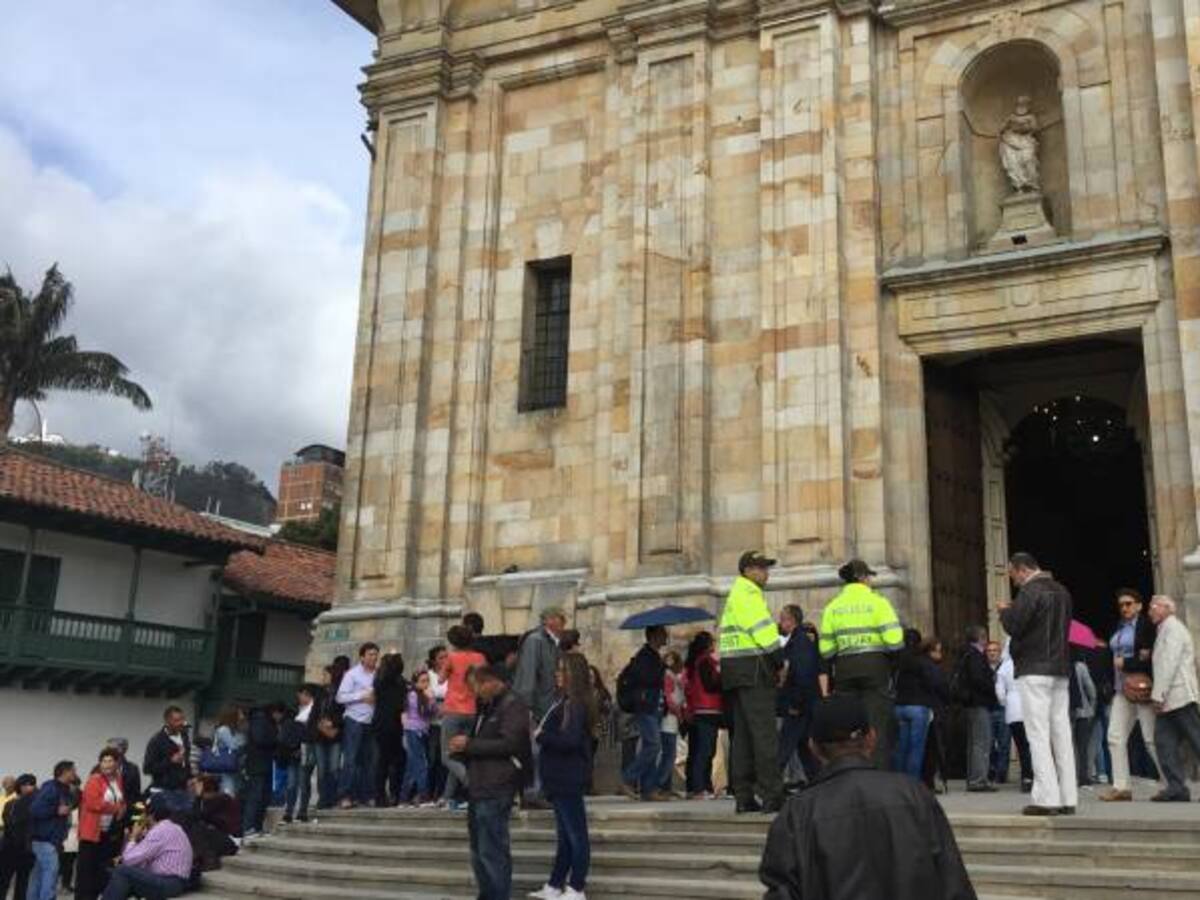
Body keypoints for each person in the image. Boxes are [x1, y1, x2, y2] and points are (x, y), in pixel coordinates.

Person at [760, 695, 977, 900]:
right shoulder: (914, 795)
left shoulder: (797, 813)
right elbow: (954, 886)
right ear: (871, 738)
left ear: (813, 747)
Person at [999, 552, 1076, 816]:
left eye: (1013, 575)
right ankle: (1068, 796)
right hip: (1060, 669)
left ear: (1022, 569)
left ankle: (1047, 798)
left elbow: (1015, 626)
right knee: (1061, 733)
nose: (1014, 581)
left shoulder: (1030, 591)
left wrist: (1005, 611)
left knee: (1038, 733)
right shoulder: (1063, 592)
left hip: (1034, 668)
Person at [448, 665, 532, 900]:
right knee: (478, 850)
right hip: (478, 784)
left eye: (477, 686)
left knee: (492, 849)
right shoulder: (487, 706)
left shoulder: (513, 704)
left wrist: (470, 745)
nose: (475, 692)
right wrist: (463, 749)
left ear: (491, 682)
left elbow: (510, 744)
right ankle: (486, 894)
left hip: (497, 785)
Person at [819, 558, 904, 770]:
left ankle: (848, 770)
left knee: (848, 724)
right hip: (874, 667)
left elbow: (826, 650)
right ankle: (876, 774)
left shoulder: (832, 607)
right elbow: (895, 642)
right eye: (869, 577)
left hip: (844, 669)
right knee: (877, 725)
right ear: (862, 578)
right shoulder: (879, 603)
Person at [720, 551, 785, 813]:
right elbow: (763, 632)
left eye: (766, 568)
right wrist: (779, 660)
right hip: (754, 669)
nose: (766, 573)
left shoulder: (735, 594)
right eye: (761, 568)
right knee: (764, 734)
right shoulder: (749, 594)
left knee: (744, 737)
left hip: (735, 670)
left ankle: (744, 795)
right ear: (747, 571)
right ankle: (772, 794)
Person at [529, 653, 597, 900]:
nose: (557, 674)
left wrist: (541, 736)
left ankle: (577, 887)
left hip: (568, 776)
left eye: (562, 670)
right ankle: (555, 884)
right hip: (559, 776)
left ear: (572, 674)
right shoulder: (564, 701)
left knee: (576, 835)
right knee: (565, 837)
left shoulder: (575, 705)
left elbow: (570, 740)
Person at [1101, 588, 1160, 802]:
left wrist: (1125, 663)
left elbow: (1149, 658)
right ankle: (1121, 787)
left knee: (1150, 738)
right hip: (1121, 689)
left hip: (1142, 687)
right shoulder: (1118, 626)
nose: (1124, 608)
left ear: (1139, 606)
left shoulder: (1146, 626)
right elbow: (1112, 655)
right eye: (1121, 605)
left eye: (1128, 604)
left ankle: (1171, 782)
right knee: (1115, 736)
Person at [1147, 595, 1200, 802]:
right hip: (1170, 698)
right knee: (1164, 742)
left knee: (1195, 739)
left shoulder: (1174, 629)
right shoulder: (1164, 629)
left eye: (1154, 606)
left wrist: (1158, 694)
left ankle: (1176, 786)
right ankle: (1177, 787)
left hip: (1179, 696)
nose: (1150, 611)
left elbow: (1168, 664)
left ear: (1168, 608)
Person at [99, 794, 192, 900]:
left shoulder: (159, 831)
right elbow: (140, 861)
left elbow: (128, 860)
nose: (143, 817)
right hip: (175, 882)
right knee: (119, 877)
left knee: (121, 871)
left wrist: (133, 838)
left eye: (145, 813)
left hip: (168, 882)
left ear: (151, 815)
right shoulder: (174, 827)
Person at [619, 625, 668, 803]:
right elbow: (646, 679)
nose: (666, 636)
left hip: (652, 705)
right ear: (654, 636)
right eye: (663, 633)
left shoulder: (653, 656)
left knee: (651, 746)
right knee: (653, 745)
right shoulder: (645, 656)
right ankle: (628, 778)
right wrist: (662, 668)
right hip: (645, 706)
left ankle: (649, 789)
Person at [442, 627, 487, 810]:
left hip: (453, 709)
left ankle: (474, 784)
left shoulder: (451, 657)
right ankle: (447, 797)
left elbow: (441, 679)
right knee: (459, 755)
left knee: (447, 756)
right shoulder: (480, 657)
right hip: (472, 709)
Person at [893, 629, 947, 781]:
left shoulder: (898, 660)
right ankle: (913, 783)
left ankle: (899, 782)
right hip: (918, 706)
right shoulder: (922, 660)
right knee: (916, 749)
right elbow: (936, 682)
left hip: (899, 706)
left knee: (901, 749)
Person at [776, 605, 821, 786]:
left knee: (785, 746)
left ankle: (769, 785)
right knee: (803, 746)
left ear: (791, 620)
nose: (780, 623)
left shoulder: (799, 642)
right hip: (805, 702)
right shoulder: (799, 641)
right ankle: (818, 781)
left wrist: (795, 703)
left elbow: (802, 674)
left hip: (799, 704)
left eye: (782, 619)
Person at [75, 749, 126, 900]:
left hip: (108, 831)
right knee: (86, 871)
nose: (107, 764)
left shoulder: (118, 779)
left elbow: (121, 799)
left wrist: (123, 807)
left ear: (117, 763)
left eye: (110, 761)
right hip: (91, 832)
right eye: (104, 761)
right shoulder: (94, 780)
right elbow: (93, 803)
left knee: (101, 869)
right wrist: (116, 809)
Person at [336, 642, 381, 809]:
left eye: (376, 654)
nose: (374, 657)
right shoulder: (352, 674)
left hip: (372, 721)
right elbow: (340, 697)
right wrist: (362, 696)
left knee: (370, 761)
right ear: (362, 657)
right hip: (354, 720)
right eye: (370, 654)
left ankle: (366, 795)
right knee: (350, 759)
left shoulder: (379, 674)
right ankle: (345, 795)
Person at [957, 625, 997, 792]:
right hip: (978, 703)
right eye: (985, 636)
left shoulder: (967, 654)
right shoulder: (975, 656)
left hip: (972, 703)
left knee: (975, 743)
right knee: (981, 742)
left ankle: (974, 778)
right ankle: (978, 780)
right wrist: (992, 687)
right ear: (981, 637)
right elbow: (978, 679)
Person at [27, 760, 75, 900]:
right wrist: (56, 810)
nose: (75, 773)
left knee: (39, 875)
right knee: (50, 875)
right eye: (73, 771)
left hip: (49, 840)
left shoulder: (64, 789)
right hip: (45, 840)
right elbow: (35, 809)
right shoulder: (51, 788)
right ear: (65, 772)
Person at [683, 631, 722, 799]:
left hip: (700, 709)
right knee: (705, 751)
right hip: (708, 709)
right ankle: (700, 788)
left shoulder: (694, 662)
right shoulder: (705, 661)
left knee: (701, 750)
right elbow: (710, 684)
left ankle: (700, 786)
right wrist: (722, 677)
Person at [994, 645, 1033, 792]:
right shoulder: (1030, 662)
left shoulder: (1004, 667)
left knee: (1022, 746)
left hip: (1013, 710)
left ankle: (1026, 778)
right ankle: (1036, 775)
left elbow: (1000, 693)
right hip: (1031, 707)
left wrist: (1006, 702)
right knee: (1034, 744)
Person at [373, 653, 408, 809]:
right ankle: (392, 793)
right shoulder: (397, 682)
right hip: (393, 723)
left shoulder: (380, 680)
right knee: (394, 761)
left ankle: (381, 795)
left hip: (383, 723)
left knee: (384, 761)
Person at [241, 702, 282, 836]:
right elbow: (260, 739)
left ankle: (255, 826)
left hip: (260, 764)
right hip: (258, 764)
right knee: (256, 797)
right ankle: (249, 827)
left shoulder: (260, 721)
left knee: (261, 797)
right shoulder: (260, 721)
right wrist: (275, 739)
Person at [314, 659, 348, 809]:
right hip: (319, 735)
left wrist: (333, 722)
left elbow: (344, 713)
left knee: (334, 768)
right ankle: (323, 798)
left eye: (325, 674)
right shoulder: (320, 693)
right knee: (322, 769)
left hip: (335, 735)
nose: (323, 677)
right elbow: (314, 713)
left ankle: (333, 796)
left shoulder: (340, 693)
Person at [284, 685, 320, 823]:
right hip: (292, 750)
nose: (300, 697)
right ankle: (288, 811)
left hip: (305, 748)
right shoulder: (294, 710)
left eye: (302, 694)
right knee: (291, 784)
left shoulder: (315, 710)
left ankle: (302, 811)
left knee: (303, 782)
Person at [399, 670, 436, 806]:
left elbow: (434, 713)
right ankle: (424, 796)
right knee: (421, 764)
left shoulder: (424, 694)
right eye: (422, 681)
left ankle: (403, 798)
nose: (426, 684)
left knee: (411, 766)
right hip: (413, 731)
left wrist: (431, 700)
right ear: (415, 683)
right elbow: (424, 712)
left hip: (422, 731)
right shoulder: (412, 695)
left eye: (427, 681)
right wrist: (430, 699)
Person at [143, 708, 192, 808]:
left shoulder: (184, 737)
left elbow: (186, 762)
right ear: (167, 721)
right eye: (176, 720)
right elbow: (147, 768)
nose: (180, 723)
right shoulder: (157, 741)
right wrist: (170, 761)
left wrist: (191, 777)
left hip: (183, 790)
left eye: (182, 719)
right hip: (164, 791)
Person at [0, 774, 36, 900]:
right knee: (4, 881)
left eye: (33, 784)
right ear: (21, 787)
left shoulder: (35, 804)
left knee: (22, 883)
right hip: (11, 848)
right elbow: (9, 824)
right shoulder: (11, 804)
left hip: (25, 849)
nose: (32, 787)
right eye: (29, 784)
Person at [656, 651, 686, 797]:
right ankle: (661, 784)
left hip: (672, 719)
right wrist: (678, 712)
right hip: (668, 718)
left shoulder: (673, 676)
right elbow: (668, 697)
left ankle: (666, 785)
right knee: (669, 753)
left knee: (669, 753)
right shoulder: (667, 675)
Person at [1070, 648, 1097, 788]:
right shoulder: (1080, 667)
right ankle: (1083, 778)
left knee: (1068, 747)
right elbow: (1091, 689)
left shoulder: (1059, 667)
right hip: (1082, 712)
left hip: (1064, 713)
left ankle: (1069, 777)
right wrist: (1091, 707)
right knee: (1083, 747)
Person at [985, 641, 1010, 784]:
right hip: (988, 709)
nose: (992, 653)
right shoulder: (983, 667)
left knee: (1004, 743)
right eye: (989, 650)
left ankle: (1002, 773)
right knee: (989, 743)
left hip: (1003, 709)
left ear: (1000, 653)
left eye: (995, 650)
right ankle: (991, 769)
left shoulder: (1006, 667)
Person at [210, 708, 244, 799]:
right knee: (228, 794)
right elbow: (233, 746)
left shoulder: (234, 730)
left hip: (234, 768)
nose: (242, 718)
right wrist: (243, 740)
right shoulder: (223, 730)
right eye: (240, 715)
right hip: (225, 767)